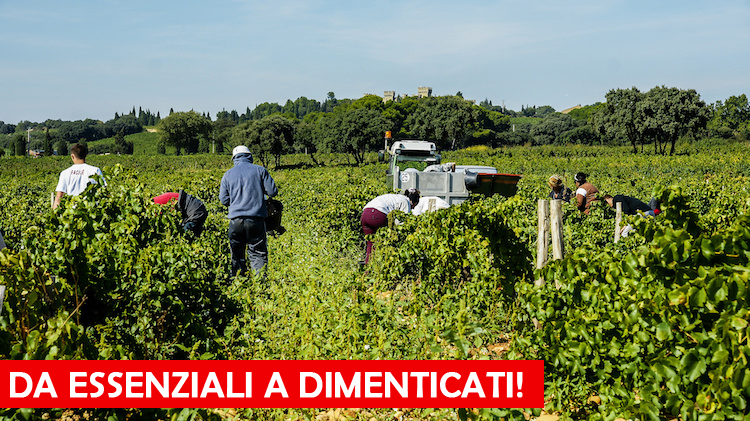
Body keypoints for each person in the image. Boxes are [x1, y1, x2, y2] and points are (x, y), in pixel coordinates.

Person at [220, 145, 278, 277]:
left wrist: (236, 202)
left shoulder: (228, 174)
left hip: (235, 221)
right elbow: (273, 192)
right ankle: (259, 286)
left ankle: (239, 283)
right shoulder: (260, 170)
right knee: (257, 253)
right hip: (256, 219)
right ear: (250, 156)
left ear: (234, 159)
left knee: (237, 254)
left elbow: (223, 200)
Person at [361, 188, 421, 264]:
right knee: (386, 240)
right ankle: (385, 264)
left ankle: (368, 267)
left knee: (371, 243)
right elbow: (403, 224)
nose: (413, 208)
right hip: (377, 214)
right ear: (413, 201)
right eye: (415, 206)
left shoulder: (396, 197)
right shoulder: (406, 201)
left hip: (365, 214)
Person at [53, 143, 104, 209]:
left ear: (72, 156)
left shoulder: (65, 173)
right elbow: (103, 191)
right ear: (85, 155)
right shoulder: (95, 170)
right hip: (90, 210)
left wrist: (54, 215)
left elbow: (58, 197)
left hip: (72, 211)